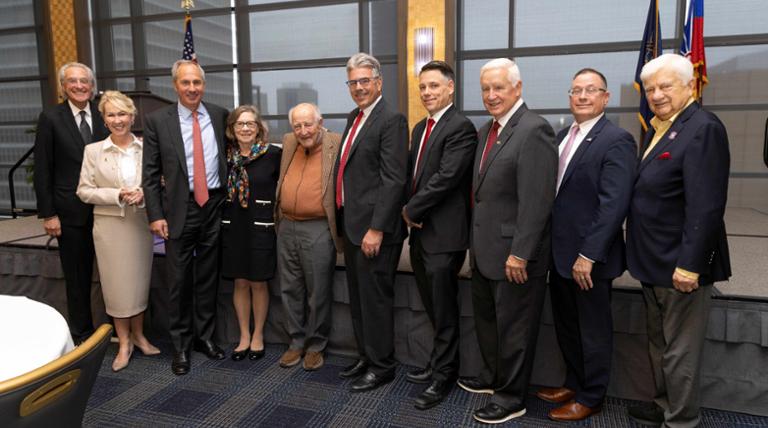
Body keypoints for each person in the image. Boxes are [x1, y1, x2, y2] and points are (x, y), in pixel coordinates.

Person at [626, 53, 731, 428]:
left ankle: (681, 420)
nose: (656, 94)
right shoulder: (661, 127)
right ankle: (663, 404)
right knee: (660, 346)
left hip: (680, 265)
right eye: (650, 88)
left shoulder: (703, 128)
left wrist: (691, 265)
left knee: (680, 352)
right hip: (653, 261)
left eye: (665, 85)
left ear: (690, 86)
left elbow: (706, 206)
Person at [459, 58, 557, 424]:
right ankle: (492, 379)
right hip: (484, 251)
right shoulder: (487, 131)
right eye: (485, 88)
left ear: (517, 88)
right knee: (489, 324)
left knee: (514, 330)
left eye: (499, 87)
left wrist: (521, 253)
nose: (491, 95)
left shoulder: (535, 130)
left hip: (515, 256)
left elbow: (537, 201)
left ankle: (511, 398)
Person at [535, 69, 636, 421]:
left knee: (592, 329)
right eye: (576, 90)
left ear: (605, 98)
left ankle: (592, 396)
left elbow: (613, 205)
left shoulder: (617, 140)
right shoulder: (564, 135)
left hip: (588, 259)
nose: (581, 96)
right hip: (559, 254)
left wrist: (588, 255)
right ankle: (574, 382)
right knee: (567, 325)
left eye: (590, 90)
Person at [142, 59, 229, 375]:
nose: (192, 88)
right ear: (175, 85)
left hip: (214, 206)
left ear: (203, 85)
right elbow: (150, 173)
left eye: (197, 83)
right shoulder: (157, 121)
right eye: (185, 83)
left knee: (208, 278)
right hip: (178, 209)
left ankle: (204, 338)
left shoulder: (219, 115)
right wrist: (155, 214)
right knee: (178, 281)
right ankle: (180, 346)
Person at [401, 61, 477, 410]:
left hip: (445, 236)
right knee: (433, 305)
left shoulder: (460, 127)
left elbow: (446, 179)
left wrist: (410, 210)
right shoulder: (420, 127)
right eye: (423, 87)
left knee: (445, 310)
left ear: (450, 88)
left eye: (434, 86)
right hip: (420, 235)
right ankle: (439, 363)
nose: (427, 92)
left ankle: (443, 376)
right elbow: (414, 177)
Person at [334, 52, 409, 392]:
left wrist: (376, 228)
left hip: (374, 231)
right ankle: (366, 355)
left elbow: (394, 180)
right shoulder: (355, 116)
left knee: (376, 301)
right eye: (354, 82)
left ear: (379, 82)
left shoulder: (391, 119)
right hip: (353, 227)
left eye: (365, 81)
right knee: (360, 299)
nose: (359, 87)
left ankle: (382, 366)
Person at [76, 90, 161, 371]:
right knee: (116, 288)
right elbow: (84, 191)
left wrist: (143, 194)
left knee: (137, 284)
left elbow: (159, 182)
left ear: (132, 116)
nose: (118, 120)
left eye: (122, 113)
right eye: (111, 114)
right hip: (109, 227)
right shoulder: (93, 151)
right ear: (103, 118)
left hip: (138, 225)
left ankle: (139, 336)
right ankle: (123, 342)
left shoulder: (147, 148)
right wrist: (116, 195)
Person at [34, 62, 109, 344]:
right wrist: (49, 214)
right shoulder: (51, 118)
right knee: (77, 278)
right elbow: (43, 169)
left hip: (107, 211)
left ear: (92, 85)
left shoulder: (105, 115)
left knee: (112, 275)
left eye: (84, 81)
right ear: (63, 86)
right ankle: (82, 333)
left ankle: (117, 329)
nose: (79, 86)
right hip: (69, 213)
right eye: (73, 81)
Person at [275, 103, 341, 371]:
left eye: (308, 124)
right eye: (297, 125)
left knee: (318, 292)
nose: (303, 131)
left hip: (318, 226)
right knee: (290, 289)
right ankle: (295, 342)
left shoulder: (335, 143)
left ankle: (316, 346)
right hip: (286, 225)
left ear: (320, 122)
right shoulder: (289, 141)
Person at [221, 105, 281, 362]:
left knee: (258, 282)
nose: (245, 128)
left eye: (250, 124)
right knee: (240, 281)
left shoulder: (273, 154)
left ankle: (258, 336)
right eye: (240, 124)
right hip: (232, 225)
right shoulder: (223, 157)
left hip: (260, 226)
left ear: (259, 128)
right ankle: (243, 335)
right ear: (232, 129)